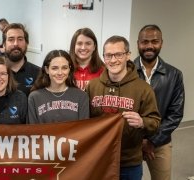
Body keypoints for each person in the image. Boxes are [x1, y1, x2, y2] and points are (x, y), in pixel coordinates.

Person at [85, 35, 161, 180]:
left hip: (129, 162)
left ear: (128, 55)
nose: (113, 60)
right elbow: (84, 120)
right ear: (104, 57)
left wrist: (142, 122)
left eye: (118, 54)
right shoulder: (93, 86)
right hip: (99, 158)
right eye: (108, 55)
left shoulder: (143, 89)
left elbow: (155, 123)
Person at [133, 24, 185, 180]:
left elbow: (175, 114)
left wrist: (152, 141)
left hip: (160, 142)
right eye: (145, 41)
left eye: (154, 41)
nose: (149, 46)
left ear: (161, 43)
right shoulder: (126, 72)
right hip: (130, 142)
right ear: (138, 44)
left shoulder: (174, 75)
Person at [28, 49, 89, 123]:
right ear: (47, 70)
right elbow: (32, 131)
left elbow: (85, 130)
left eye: (64, 68)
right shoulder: (34, 97)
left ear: (69, 69)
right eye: (54, 68)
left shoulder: (81, 97)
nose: (60, 73)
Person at [2, 23, 40, 96]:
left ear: (26, 43)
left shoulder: (38, 73)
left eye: (20, 39)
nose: (16, 44)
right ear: (4, 44)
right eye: (11, 39)